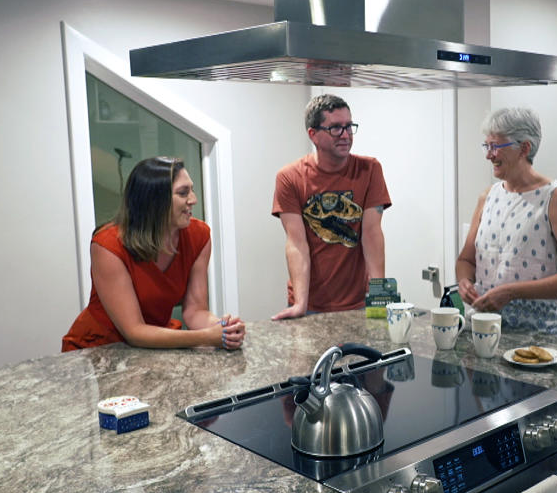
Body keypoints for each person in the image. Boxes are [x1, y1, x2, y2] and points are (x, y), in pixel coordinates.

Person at [62, 157, 245, 351]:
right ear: (155, 201)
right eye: (183, 193)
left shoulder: (199, 236)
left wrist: (223, 329)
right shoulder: (108, 245)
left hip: (157, 343)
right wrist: (206, 337)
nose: (193, 199)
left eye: (191, 190)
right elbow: (134, 331)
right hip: (100, 349)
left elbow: (195, 311)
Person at [455, 107, 557, 337]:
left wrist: (512, 292)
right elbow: (466, 260)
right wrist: (464, 281)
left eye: (495, 146)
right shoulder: (488, 197)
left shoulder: (555, 197)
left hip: (540, 338)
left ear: (524, 148)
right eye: (487, 146)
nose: (488, 155)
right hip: (485, 332)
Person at [271, 94, 391, 318]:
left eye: (349, 126)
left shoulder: (370, 170)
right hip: (310, 304)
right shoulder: (290, 177)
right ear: (313, 135)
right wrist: (300, 304)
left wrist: (379, 297)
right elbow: (297, 243)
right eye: (336, 128)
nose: (345, 135)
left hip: (358, 302)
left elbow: (372, 235)